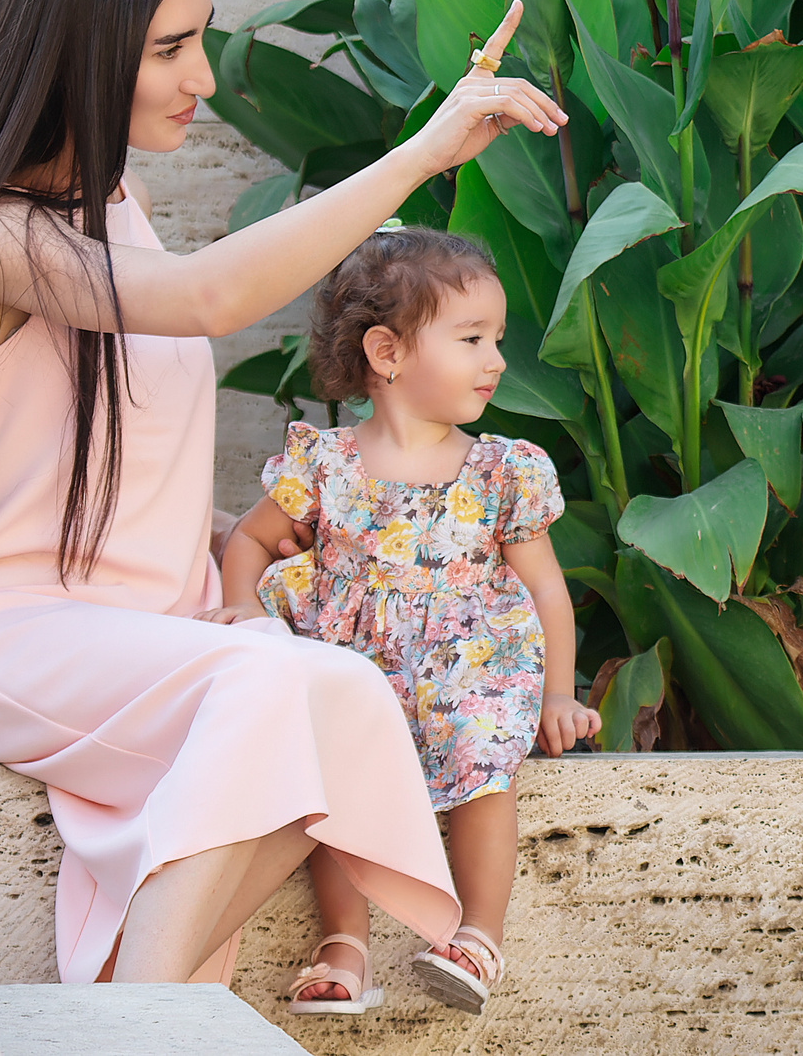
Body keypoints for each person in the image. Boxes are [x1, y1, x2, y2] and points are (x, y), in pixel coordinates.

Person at [0, 0, 566, 987]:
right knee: (286, 693)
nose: (203, 77)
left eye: (203, 37)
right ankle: (142, 1024)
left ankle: (152, 1006)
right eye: (171, 47)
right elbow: (205, 298)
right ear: (78, 53)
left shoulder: (111, 206)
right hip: (5, 640)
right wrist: (421, 154)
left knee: (341, 690)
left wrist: (252, 532)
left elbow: (116, 455)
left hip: (157, 635)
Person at [211, 225, 601, 1016]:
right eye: (470, 338)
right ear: (387, 353)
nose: (495, 358)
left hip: (469, 669)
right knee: (332, 779)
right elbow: (247, 540)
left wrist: (558, 692)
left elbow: (548, 591)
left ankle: (476, 935)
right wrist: (244, 613)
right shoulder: (325, 464)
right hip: (358, 669)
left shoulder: (501, 470)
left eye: (497, 337)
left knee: (484, 765)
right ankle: (343, 941)